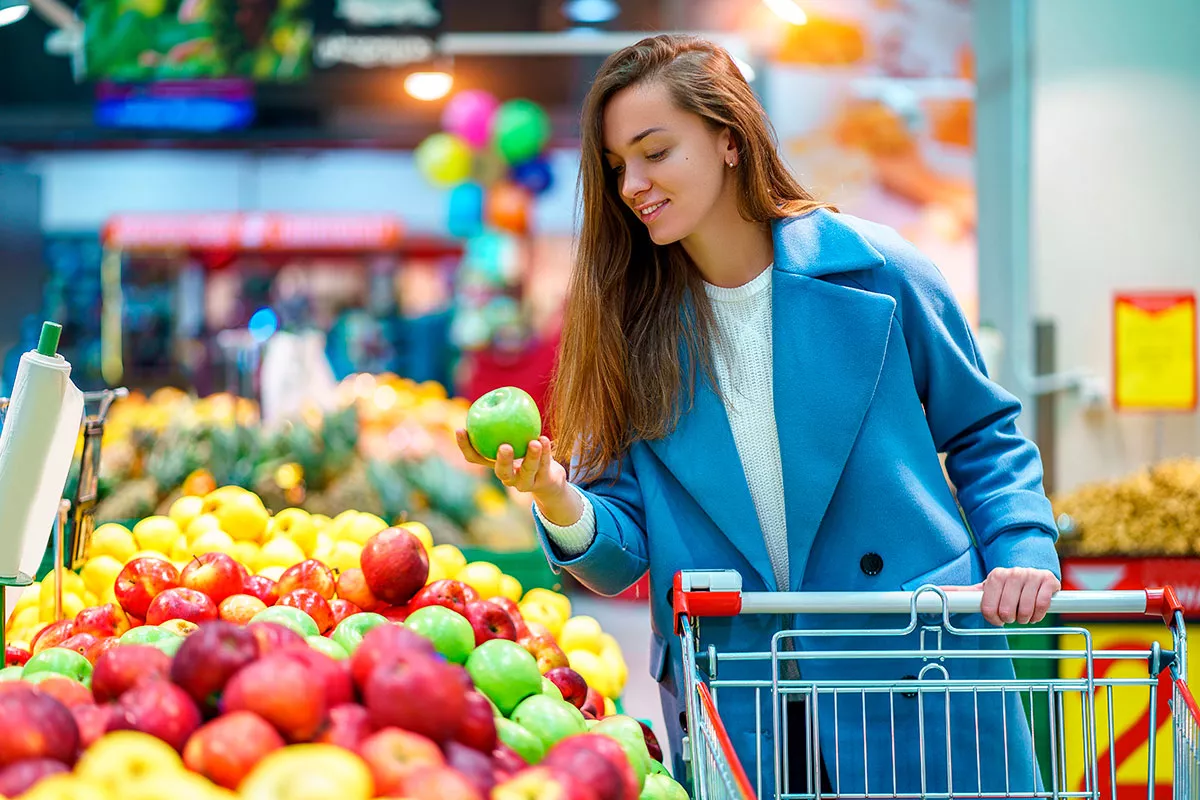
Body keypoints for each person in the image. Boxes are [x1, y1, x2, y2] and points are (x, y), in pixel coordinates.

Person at [455, 33, 1060, 797]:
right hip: (744, 693)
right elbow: (619, 556)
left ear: (730, 140)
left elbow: (981, 432)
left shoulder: (879, 271)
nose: (633, 185)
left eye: (655, 151)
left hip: (910, 661)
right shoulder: (630, 329)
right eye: (617, 167)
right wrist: (552, 491)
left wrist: (1022, 548)